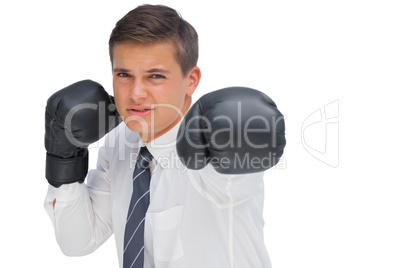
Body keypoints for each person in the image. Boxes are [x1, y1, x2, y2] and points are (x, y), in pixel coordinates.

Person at [44, 4, 286, 268]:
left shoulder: (215, 148)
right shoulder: (120, 141)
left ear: (191, 79)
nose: (136, 93)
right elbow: (77, 242)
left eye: (155, 76)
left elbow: (234, 186)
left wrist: (244, 137)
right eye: (124, 74)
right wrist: (65, 158)